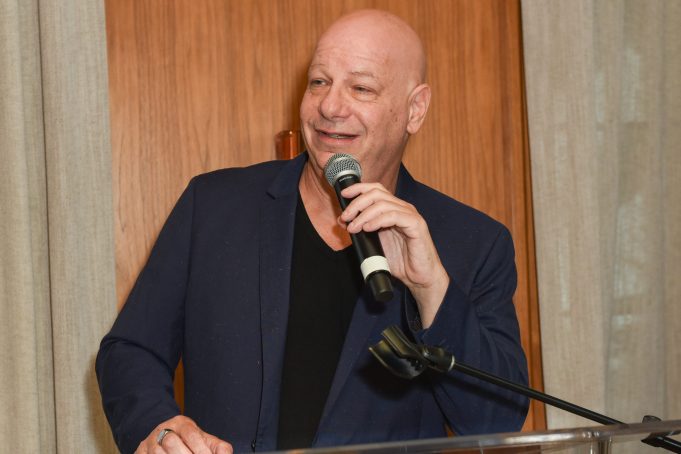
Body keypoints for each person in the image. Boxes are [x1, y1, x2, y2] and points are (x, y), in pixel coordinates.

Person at [96, 9, 529, 454]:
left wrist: (432, 290)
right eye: (319, 82)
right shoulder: (213, 206)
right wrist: (159, 429)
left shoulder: (473, 243)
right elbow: (130, 349)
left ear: (415, 110)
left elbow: (497, 417)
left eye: (360, 88)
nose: (329, 106)